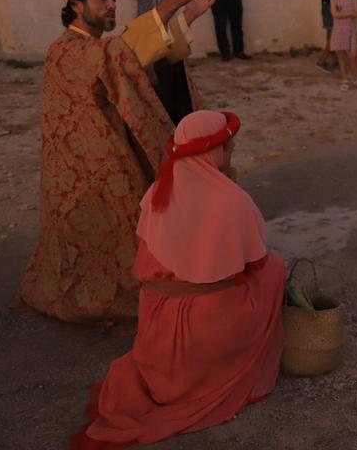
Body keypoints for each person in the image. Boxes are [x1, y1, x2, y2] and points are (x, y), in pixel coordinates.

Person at [69, 111, 285, 448]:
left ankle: (174, 375)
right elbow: (254, 263)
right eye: (228, 149)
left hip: (160, 324)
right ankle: (233, 368)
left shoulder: (157, 192)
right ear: (215, 152)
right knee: (274, 270)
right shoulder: (233, 200)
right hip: (211, 327)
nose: (230, 156)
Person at [16, 0, 215, 323]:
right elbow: (121, 54)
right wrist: (171, 5)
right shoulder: (65, 50)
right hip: (82, 171)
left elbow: (135, 58)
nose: (111, 6)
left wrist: (187, 16)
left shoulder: (98, 47)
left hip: (110, 156)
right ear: (76, 6)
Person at [329, 0, 357, 90]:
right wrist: (350, 13)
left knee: (353, 56)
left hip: (351, 30)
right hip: (338, 30)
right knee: (341, 57)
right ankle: (345, 80)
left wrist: (344, 14)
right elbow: (335, 15)